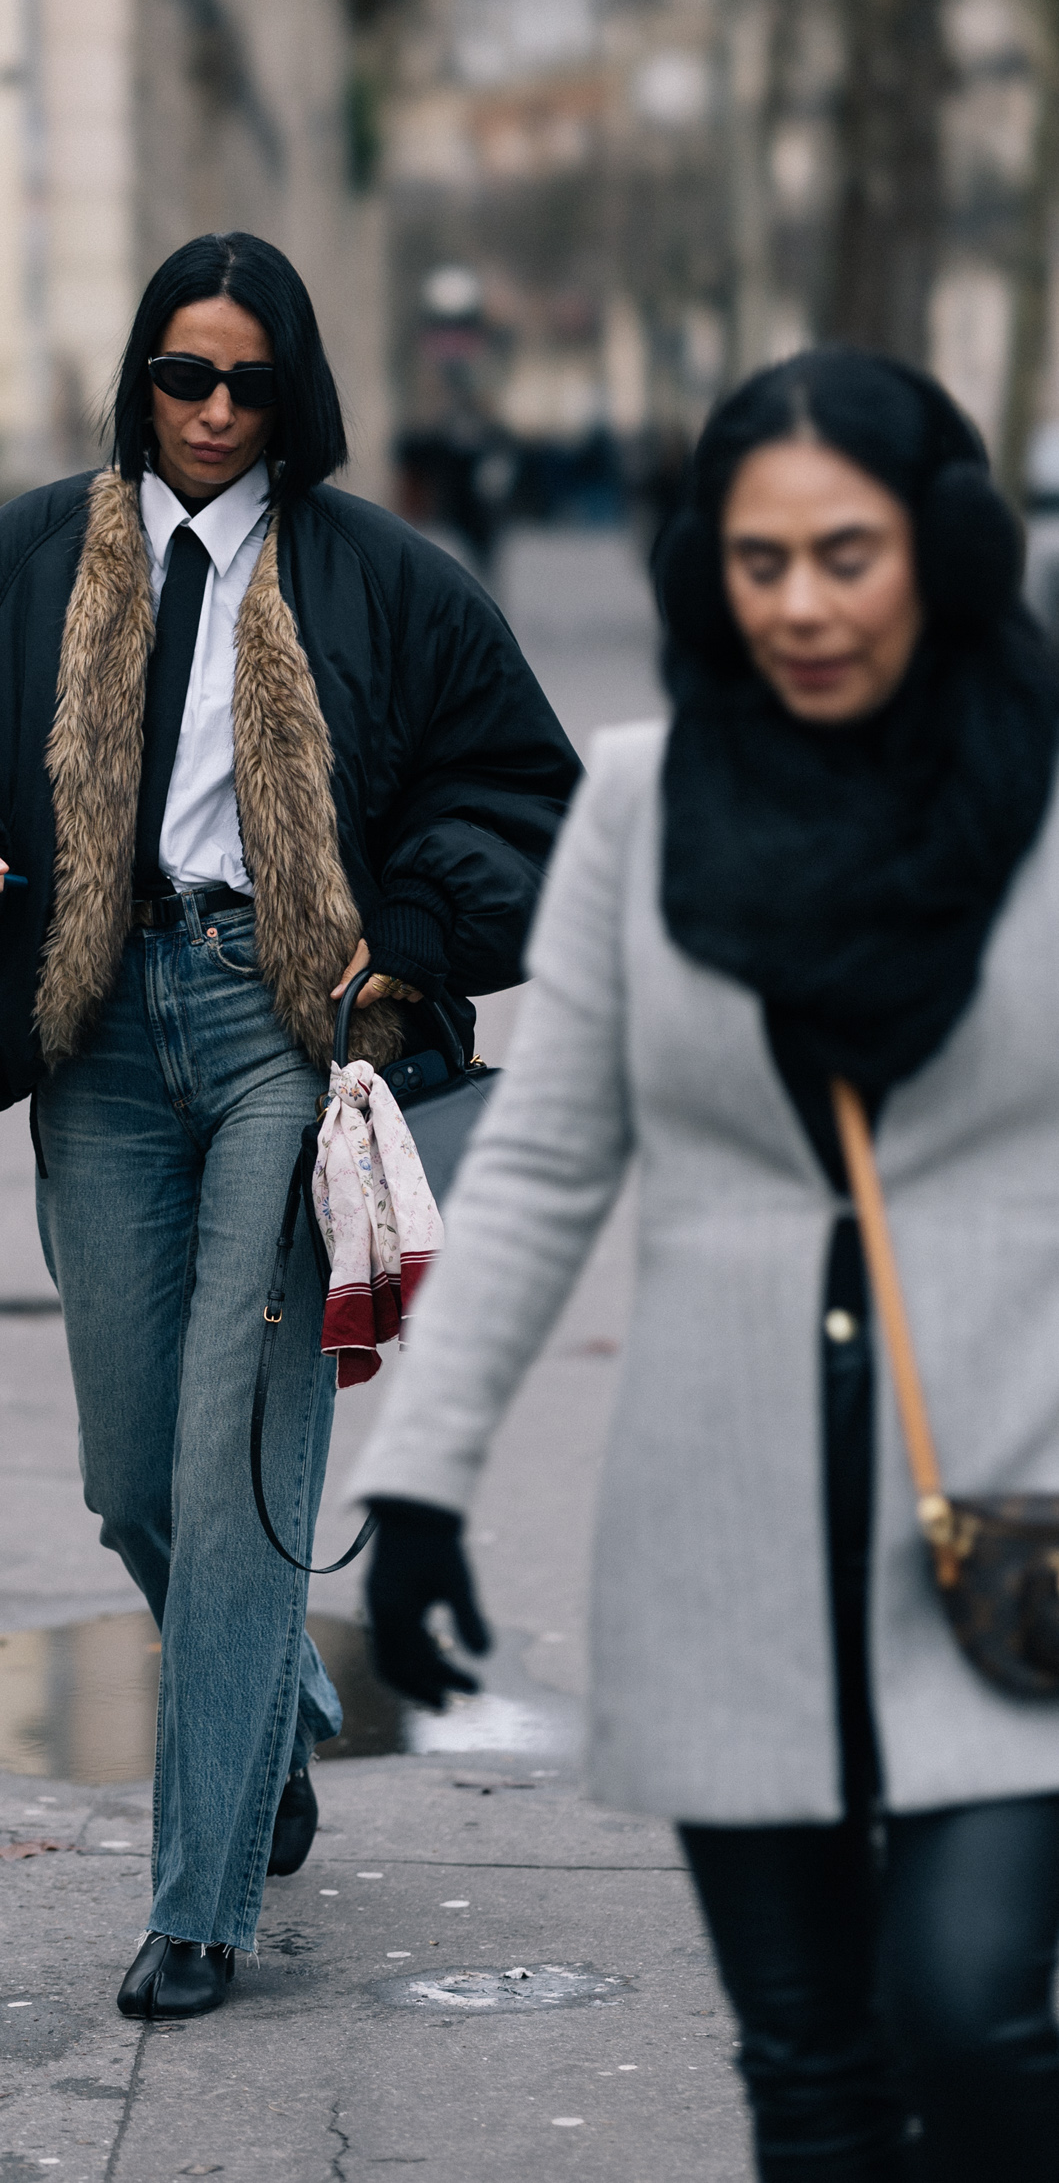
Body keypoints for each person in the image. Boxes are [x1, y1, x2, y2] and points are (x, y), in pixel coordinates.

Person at [0, 231, 580, 2020]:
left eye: (250, 383)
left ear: (296, 393)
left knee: (234, 1473)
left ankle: (201, 1904)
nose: (215, 413)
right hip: (97, 1032)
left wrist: (422, 934)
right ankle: (277, 1710)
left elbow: (530, 802)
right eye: (183, 378)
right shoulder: (3, 572)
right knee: (132, 1476)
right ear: (137, 379)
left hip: (290, 1027)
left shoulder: (392, 584)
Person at [353, 346, 1059, 2179]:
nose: (803, 606)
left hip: (1020, 1507)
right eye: (761, 563)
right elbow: (549, 1157)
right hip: (723, 1523)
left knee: (975, 2013)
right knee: (809, 2077)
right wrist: (420, 1479)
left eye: (849, 552)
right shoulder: (647, 804)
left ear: (943, 553)